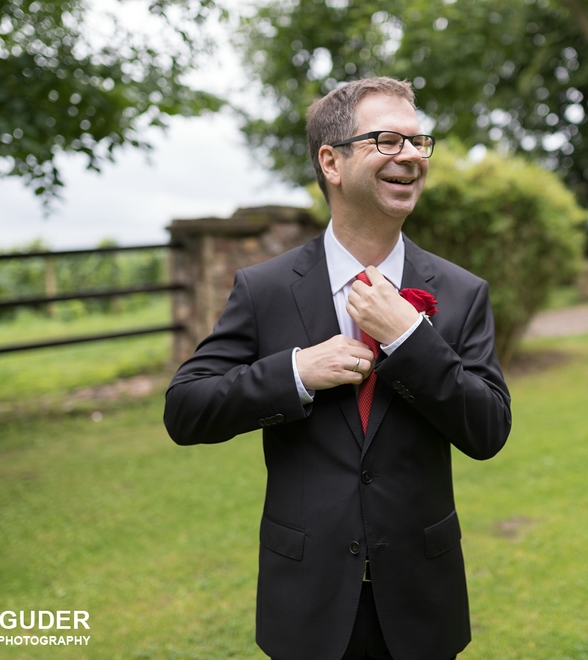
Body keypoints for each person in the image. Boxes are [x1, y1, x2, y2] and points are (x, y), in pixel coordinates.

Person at [164, 77, 511, 660]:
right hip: (306, 602)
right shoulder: (265, 288)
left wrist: (407, 336)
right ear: (331, 160)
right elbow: (186, 408)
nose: (410, 156)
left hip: (422, 603)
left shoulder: (460, 292)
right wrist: (296, 372)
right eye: (387, 140)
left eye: (418, 142)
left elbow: (488, 430)